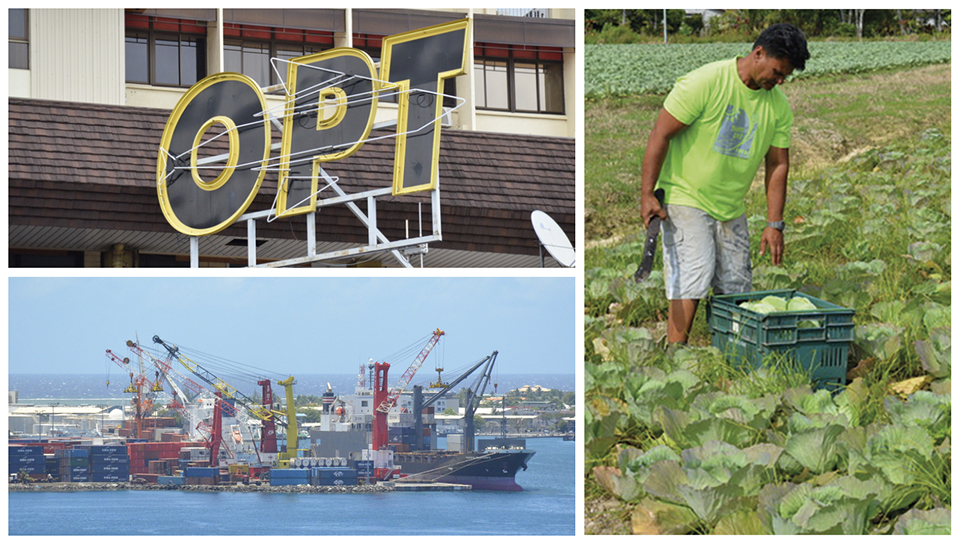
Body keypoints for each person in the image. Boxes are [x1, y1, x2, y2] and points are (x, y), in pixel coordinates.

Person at [640, 23, 810, 344]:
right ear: (758, 53)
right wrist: (647, 193)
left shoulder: (778, 106)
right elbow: (660, 134)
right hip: (685, 195)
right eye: (777, 72)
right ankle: (677, 354)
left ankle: (729, 354)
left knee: (736, 284)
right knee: (694, 274)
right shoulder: (705, 82)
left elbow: (777, 164)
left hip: (731, 205)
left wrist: (775, 223)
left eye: (786, 75)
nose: (780, 80)